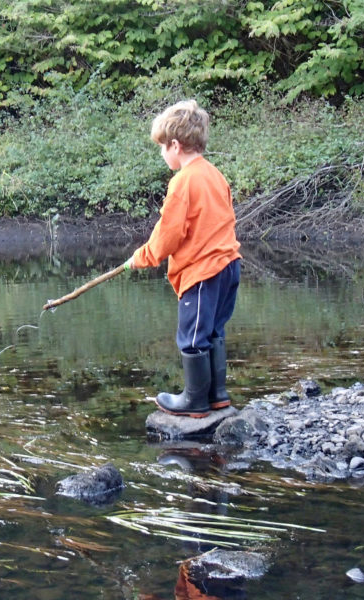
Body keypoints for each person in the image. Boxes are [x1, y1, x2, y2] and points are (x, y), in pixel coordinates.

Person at [123, 100, 241, 418]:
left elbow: (168, 234)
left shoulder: (183, 182)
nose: (162, 154)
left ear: (175, 145)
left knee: (191, 338)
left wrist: (141, 257)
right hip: (230, 265)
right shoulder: (216, 175)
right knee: (213, 331)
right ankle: (217, 396)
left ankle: (195, 401)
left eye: (162, 147)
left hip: (204, 272)